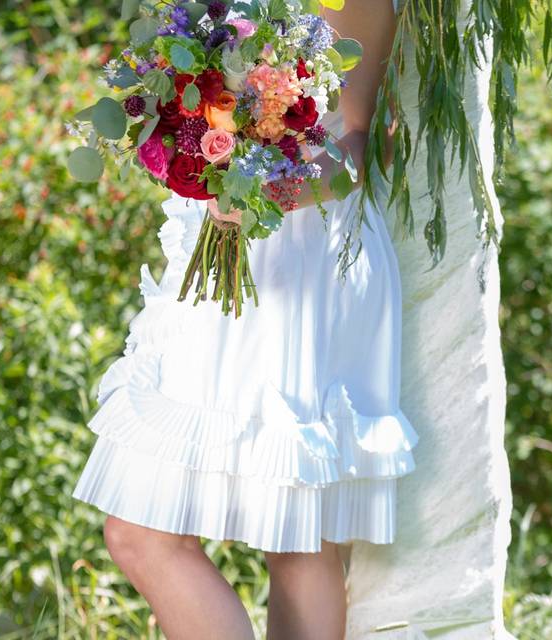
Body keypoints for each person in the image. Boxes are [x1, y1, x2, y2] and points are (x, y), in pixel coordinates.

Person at [71, 1, 414, 639]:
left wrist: (270, 190)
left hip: (302, 256)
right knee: (163, 534)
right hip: (233, 244)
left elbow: (363, 142)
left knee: (291, 537)